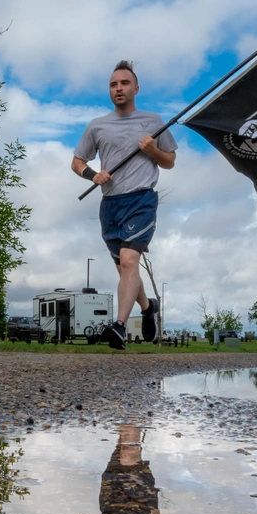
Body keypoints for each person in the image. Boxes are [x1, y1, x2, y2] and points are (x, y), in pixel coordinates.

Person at [72, 61, 177, 349]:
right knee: (124, 269)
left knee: (130, 261)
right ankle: (147, 308)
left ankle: (118, 327)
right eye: (113, 84)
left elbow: (169, 161)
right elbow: (77, 162)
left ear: (136, 88)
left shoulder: (153, 121)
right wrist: (94, 175)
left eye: (124, 83)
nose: (119, 88)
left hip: (141, 199)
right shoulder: (97, 126)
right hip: (110, 204)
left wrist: (153, 150)